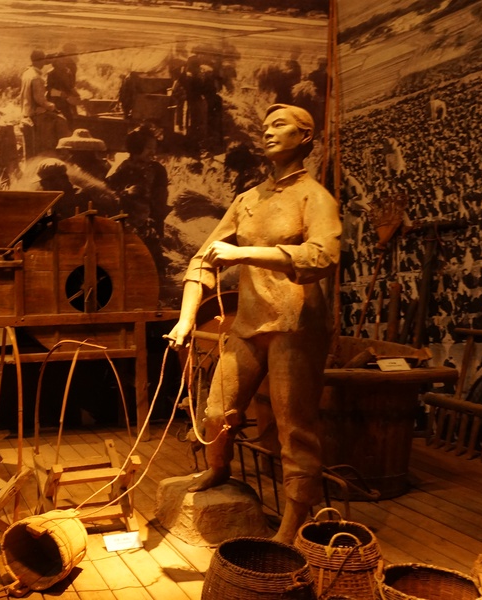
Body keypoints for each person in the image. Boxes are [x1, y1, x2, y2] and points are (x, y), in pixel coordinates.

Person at [167, 104, 341, 543]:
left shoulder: (315, 197)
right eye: (264, 127)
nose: (267, 132)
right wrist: (186, 319)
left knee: (293, 428)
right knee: (215, 411)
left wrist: (245, 254)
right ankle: (218, 469)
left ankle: (291, 523)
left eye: (279, 125)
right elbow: (203, 260)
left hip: (295, 325)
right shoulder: (248, 200)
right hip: (248, 322)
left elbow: (323, 256)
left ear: (305, 137)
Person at [106, 125, 169, 272]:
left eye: (154, 148)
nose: (153, 152)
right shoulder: (121, 167)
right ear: (136, 147)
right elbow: (109, 191)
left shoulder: (157, 169)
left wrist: (154, 213)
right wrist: (126, 194)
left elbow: (161, 196)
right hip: (124, 218)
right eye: (148, 148)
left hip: (149, 219)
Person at [19, 50, 67, 158]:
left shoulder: (27, 73)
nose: (45, 62)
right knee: (62, 121)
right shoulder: (37, 78)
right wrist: (52, 106)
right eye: (44, 59)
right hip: (36, 114)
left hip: (26, 111)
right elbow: (40, 100)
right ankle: (60, 154)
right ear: (40, 60)